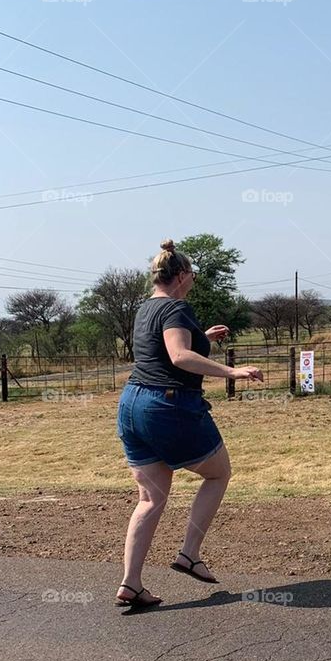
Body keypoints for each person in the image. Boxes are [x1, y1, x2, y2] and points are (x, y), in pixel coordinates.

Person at [115, 239, 262, 610]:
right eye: (192, 274)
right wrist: (233, 371)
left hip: (132, 403)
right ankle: (189, 554)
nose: (193, 279)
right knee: (218, 473)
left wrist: (203, 338)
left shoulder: (145, 308)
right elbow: (179, 357)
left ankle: (131, 583)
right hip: (167, 406)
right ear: (180, 276)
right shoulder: (177, 307)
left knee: (150, 498)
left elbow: (162, 348)